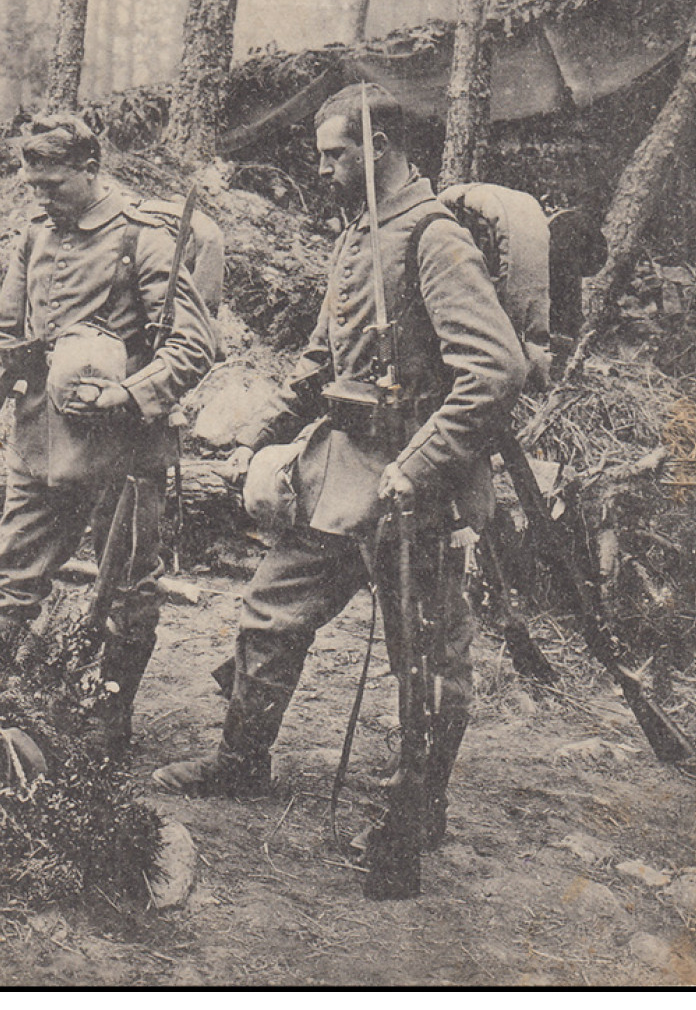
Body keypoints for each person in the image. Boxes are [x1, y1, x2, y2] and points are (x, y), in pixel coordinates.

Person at [153, 84, 528, 853]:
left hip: (414, 481)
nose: (321, 170)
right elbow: (322, 360)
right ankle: (238, 761)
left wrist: (421, 466)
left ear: (378, 148)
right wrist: (258, 436)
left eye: (334, 155)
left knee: (421, 650)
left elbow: (493, 370)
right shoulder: (357, 235)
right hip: (338, 466)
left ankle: (417, 810)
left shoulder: (431, 237)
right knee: (268, 611)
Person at [0, 113, 220, 752]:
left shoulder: (143, 238)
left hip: (122, 448)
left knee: (126, 586)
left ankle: (108, 721)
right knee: (8, 572)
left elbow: (194, 344)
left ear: (91, 170)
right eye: (32, 185)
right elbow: (7, 334)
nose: (41, 197)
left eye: (55, 184)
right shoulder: (36, 233)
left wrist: (130, 392)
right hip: (39, 439)